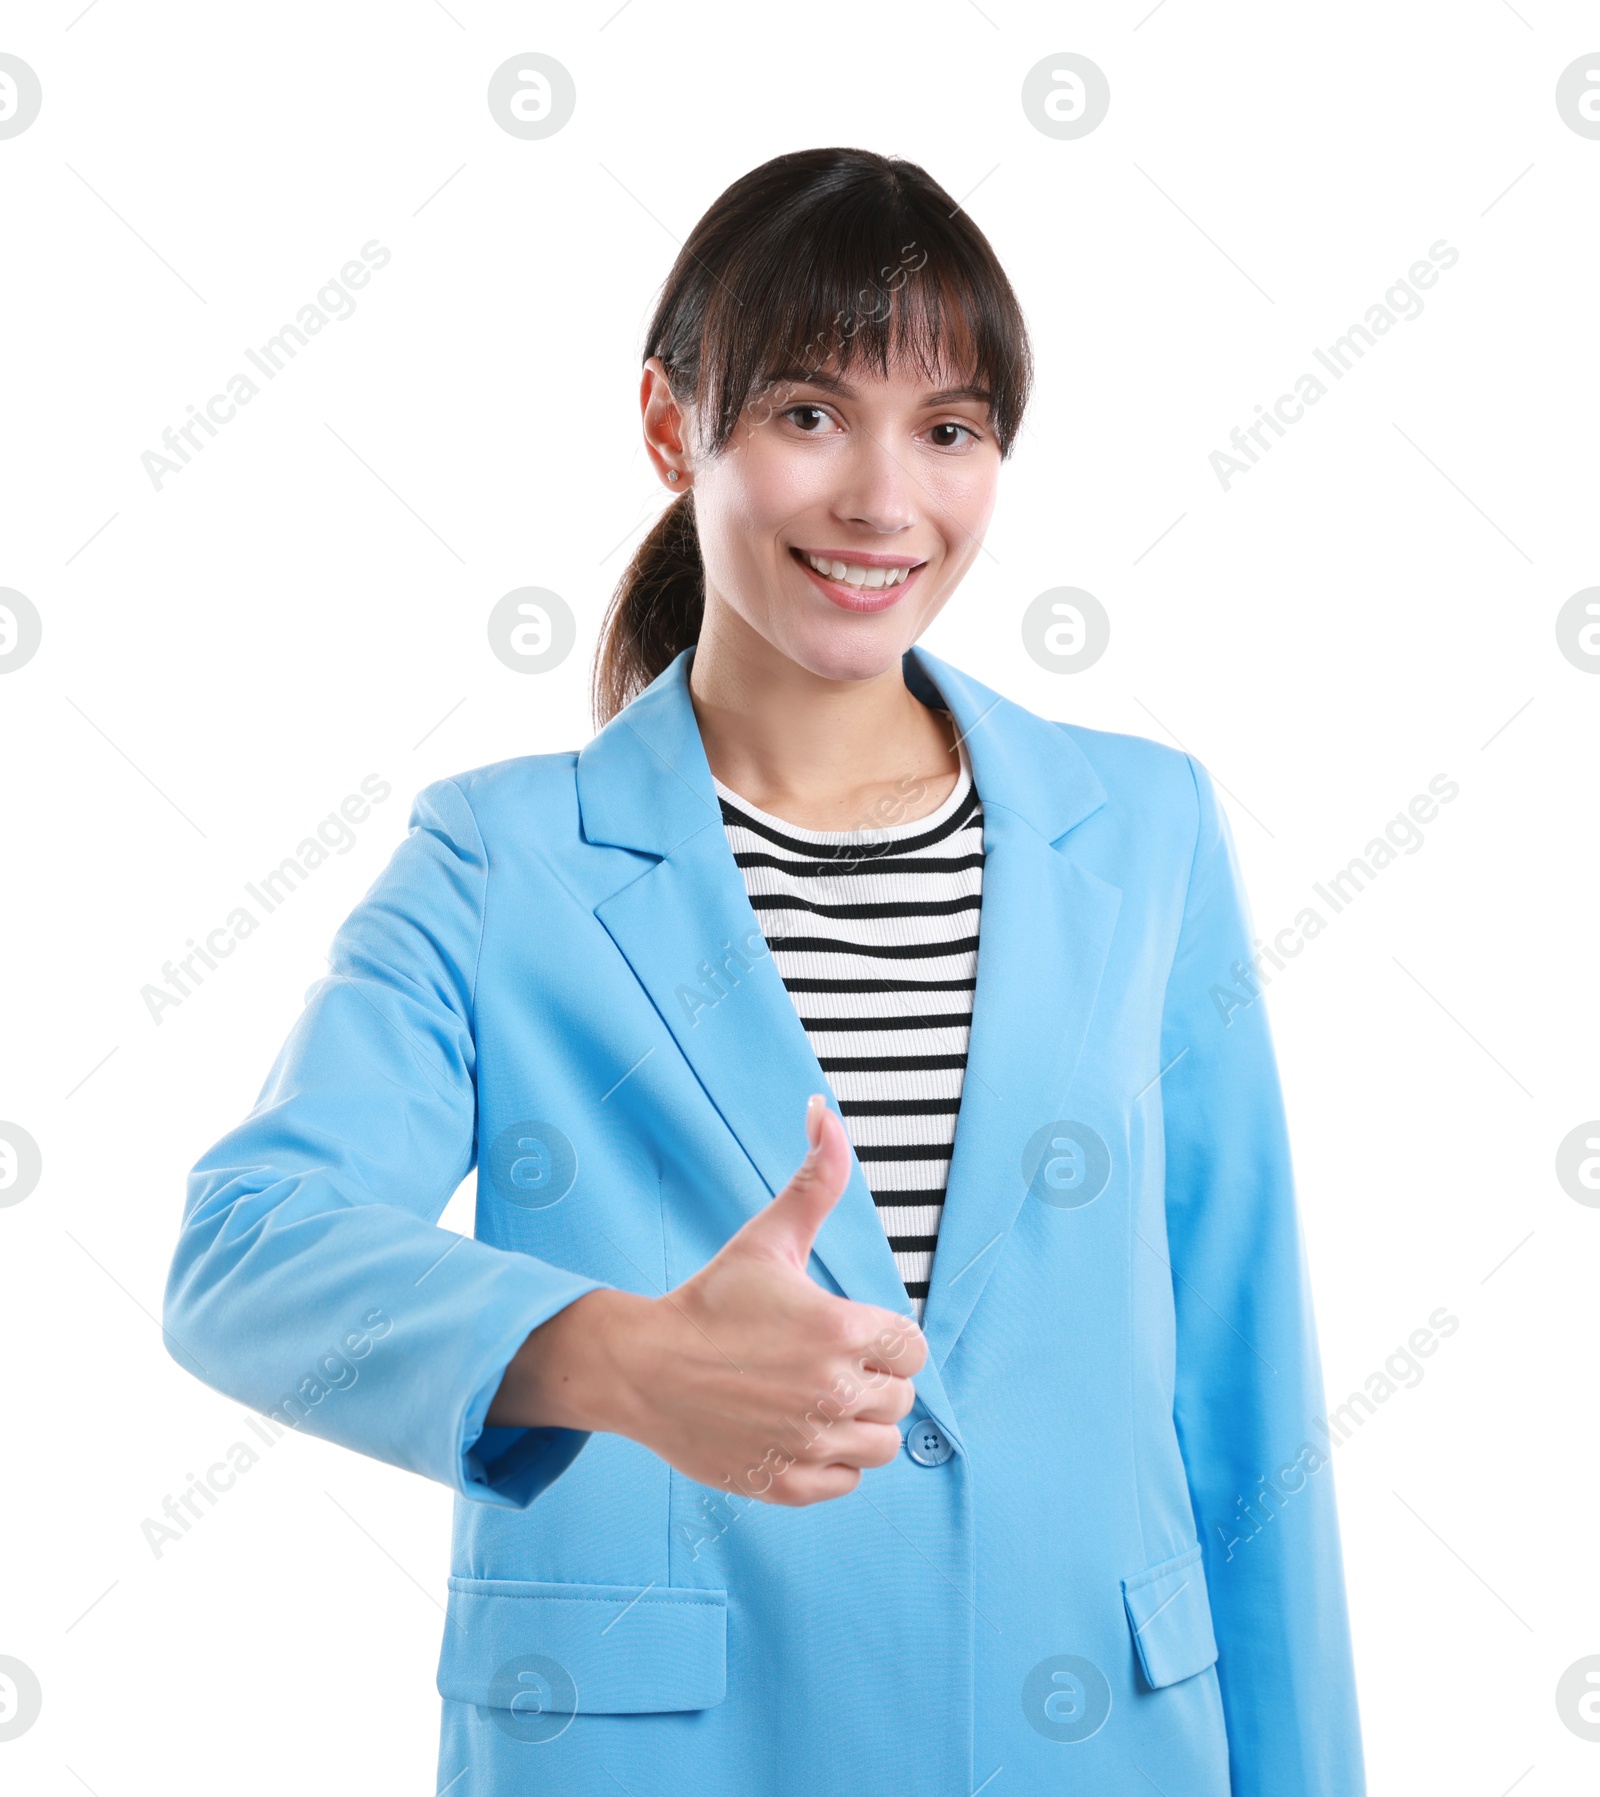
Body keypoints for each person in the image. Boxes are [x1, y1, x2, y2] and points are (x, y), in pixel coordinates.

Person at [163, 146, 1366, 1796]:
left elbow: (1249, 1399)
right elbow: (247, 1255)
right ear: (672, 425)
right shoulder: (502, 859)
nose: (885, 499)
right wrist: (612, 1356)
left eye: (947, 429)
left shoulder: (1144, 832)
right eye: (809, 414)